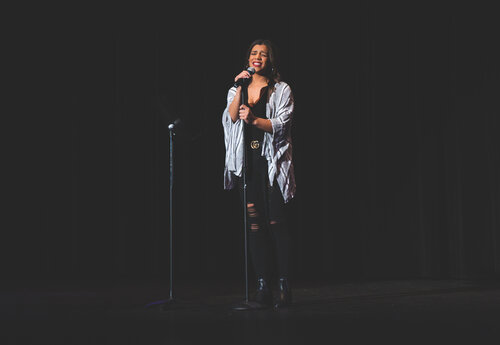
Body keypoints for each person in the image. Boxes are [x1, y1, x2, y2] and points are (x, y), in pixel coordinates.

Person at [222, 39, 296, 308]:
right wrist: (239, 87)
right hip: (249, 165)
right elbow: (230, 118)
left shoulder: (281, 89)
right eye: (254, 53)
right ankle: (263, 286)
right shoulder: (238, 87)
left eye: (263, 54)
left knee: (276, 224)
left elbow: (282, 123)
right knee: (254, 227)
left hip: (272, 164)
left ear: (270, 60)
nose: (257, 57)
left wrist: (254, 120)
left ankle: (284, 286)